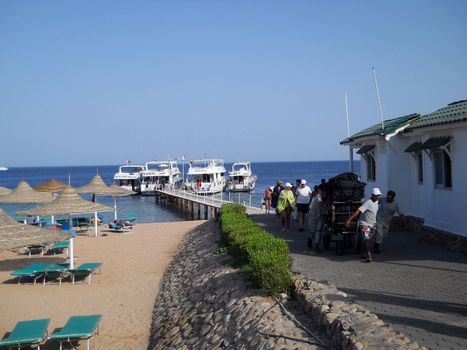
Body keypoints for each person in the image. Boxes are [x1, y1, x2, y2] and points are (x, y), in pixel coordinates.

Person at [345, 187, 381, 262]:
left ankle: (361, 252)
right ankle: (369, 256)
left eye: (378, 195)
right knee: (366, 239)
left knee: (365, 240)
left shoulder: (377, 201)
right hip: (365, 224)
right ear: (372, 195)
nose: (377, 197)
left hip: (373, 225)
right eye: (376, 195)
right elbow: (358, 211)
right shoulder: (368, 202)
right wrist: (349, 220)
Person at [308, 185, 322, 249]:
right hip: (313, 215)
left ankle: (316, 244)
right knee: (312, 230)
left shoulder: (318, 196)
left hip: (319, 215)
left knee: (318, 230)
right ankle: (310, 239)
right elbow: (320, 204)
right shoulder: (318, 197)